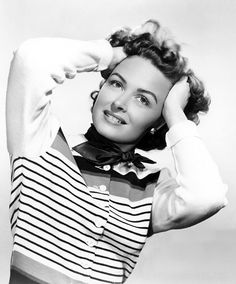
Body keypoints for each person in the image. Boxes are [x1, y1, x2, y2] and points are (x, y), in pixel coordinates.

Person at [6, 19, 227, 284]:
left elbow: (208, 196)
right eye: (117, 84)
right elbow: (30, 60)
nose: (120, 102)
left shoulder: (153, 187)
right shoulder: (40, 141)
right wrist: (111, 54)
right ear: (101, 87)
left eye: (143, 99)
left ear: (159, 122)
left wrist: (175, 114)